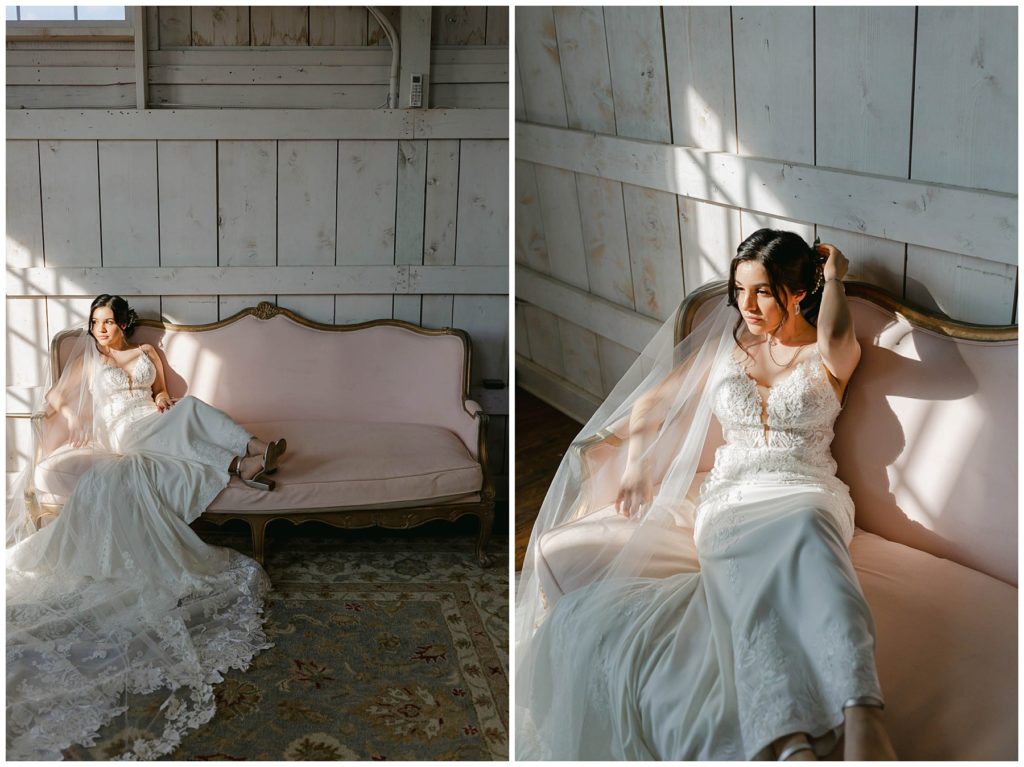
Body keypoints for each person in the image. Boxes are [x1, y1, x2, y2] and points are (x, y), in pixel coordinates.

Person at [516, 230, 898, 761]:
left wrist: (834, 278)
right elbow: (650, 404)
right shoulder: (729, 347)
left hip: (806, 487)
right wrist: (636, 468)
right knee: (756, 578)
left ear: (796, 290)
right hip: (731, 497)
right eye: (739, 290)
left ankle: (862, 712)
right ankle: (786, 740)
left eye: (762, 291)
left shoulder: (830, 353)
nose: (746, 305)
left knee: (810, 531)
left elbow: (835, 334)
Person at [6, 294, 287, 760]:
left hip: (150, 419)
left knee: (189, 408)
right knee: (183, 421)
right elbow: (57, 399)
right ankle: (243, 460)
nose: (100, 329)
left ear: (124, 324)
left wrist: (160, 397)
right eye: (95, 322)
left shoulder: (147, 353)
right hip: (123, 432)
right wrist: (70, 417)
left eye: (108, 322)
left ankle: (253, 452)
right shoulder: (89, 361)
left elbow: (158, 391)